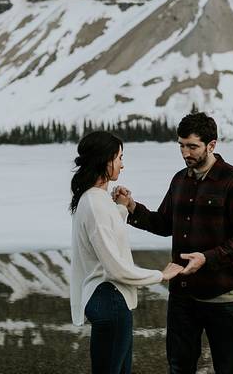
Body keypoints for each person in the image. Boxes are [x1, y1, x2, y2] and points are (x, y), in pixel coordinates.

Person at [113, 112, 233, 374]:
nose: (185, 152)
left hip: (223, 295)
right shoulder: (180, 180)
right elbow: (164, 224)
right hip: (183, 294)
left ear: (211, 145)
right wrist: (132, 207)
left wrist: (207, 258)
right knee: (179, 367)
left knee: (227, 368)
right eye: (181, 145)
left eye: (192, 146)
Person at [70, 130, 184, 374]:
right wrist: (160, 276)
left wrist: (122, 208)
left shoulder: (97, 200)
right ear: (105, 160)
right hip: (109, 298)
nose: (123, 164)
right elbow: (116, 268)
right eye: (120, 157)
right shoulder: (94, 203)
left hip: (110, 300)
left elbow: (107, 233)